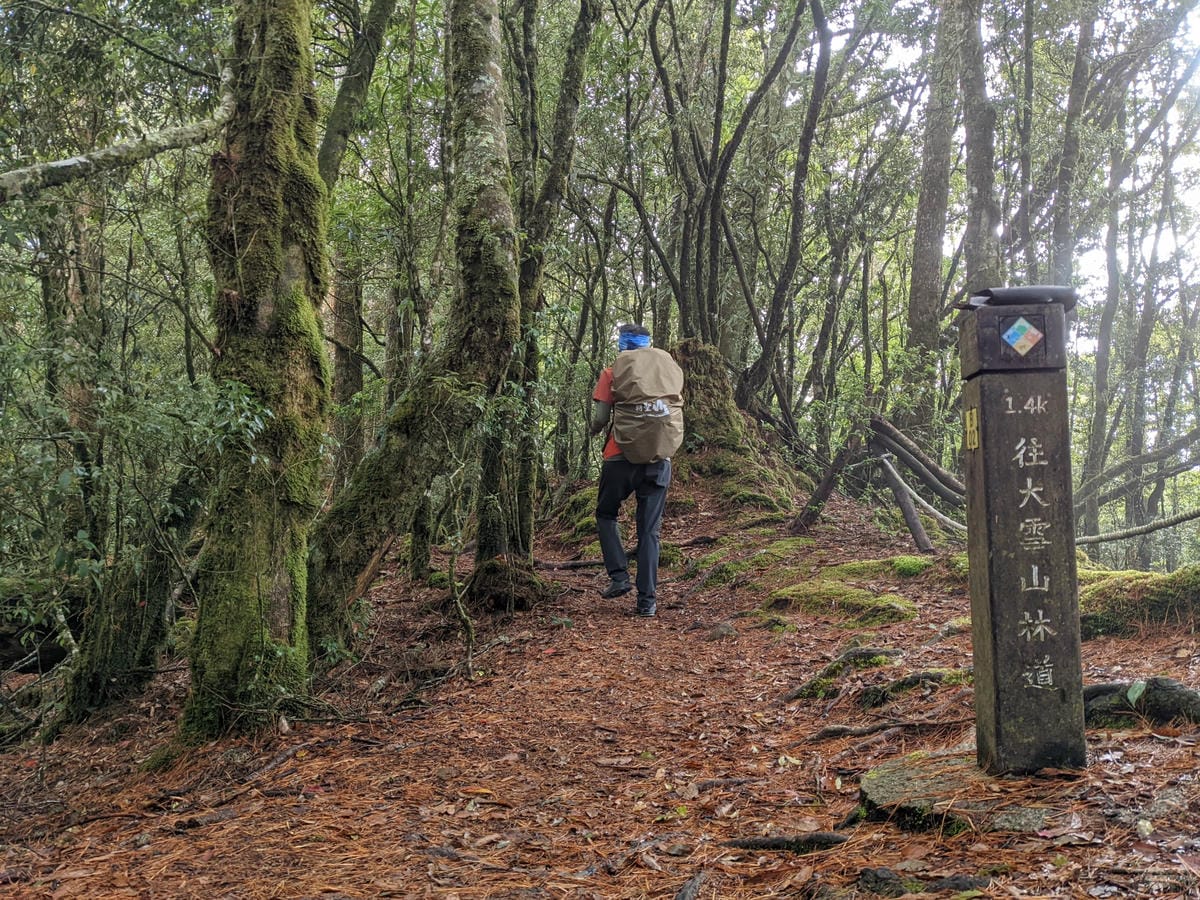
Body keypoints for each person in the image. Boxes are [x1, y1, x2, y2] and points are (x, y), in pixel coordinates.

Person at [589, 324, 677, 617]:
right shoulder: (666, 369)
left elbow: (601, 416)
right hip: (658, 458)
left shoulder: (612, 371)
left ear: (622, 345)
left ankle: (619, 577)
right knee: (649, 531)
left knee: (606, 513)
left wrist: (594, 430)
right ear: (647, 344)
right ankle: (647, 602)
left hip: (620, 457)